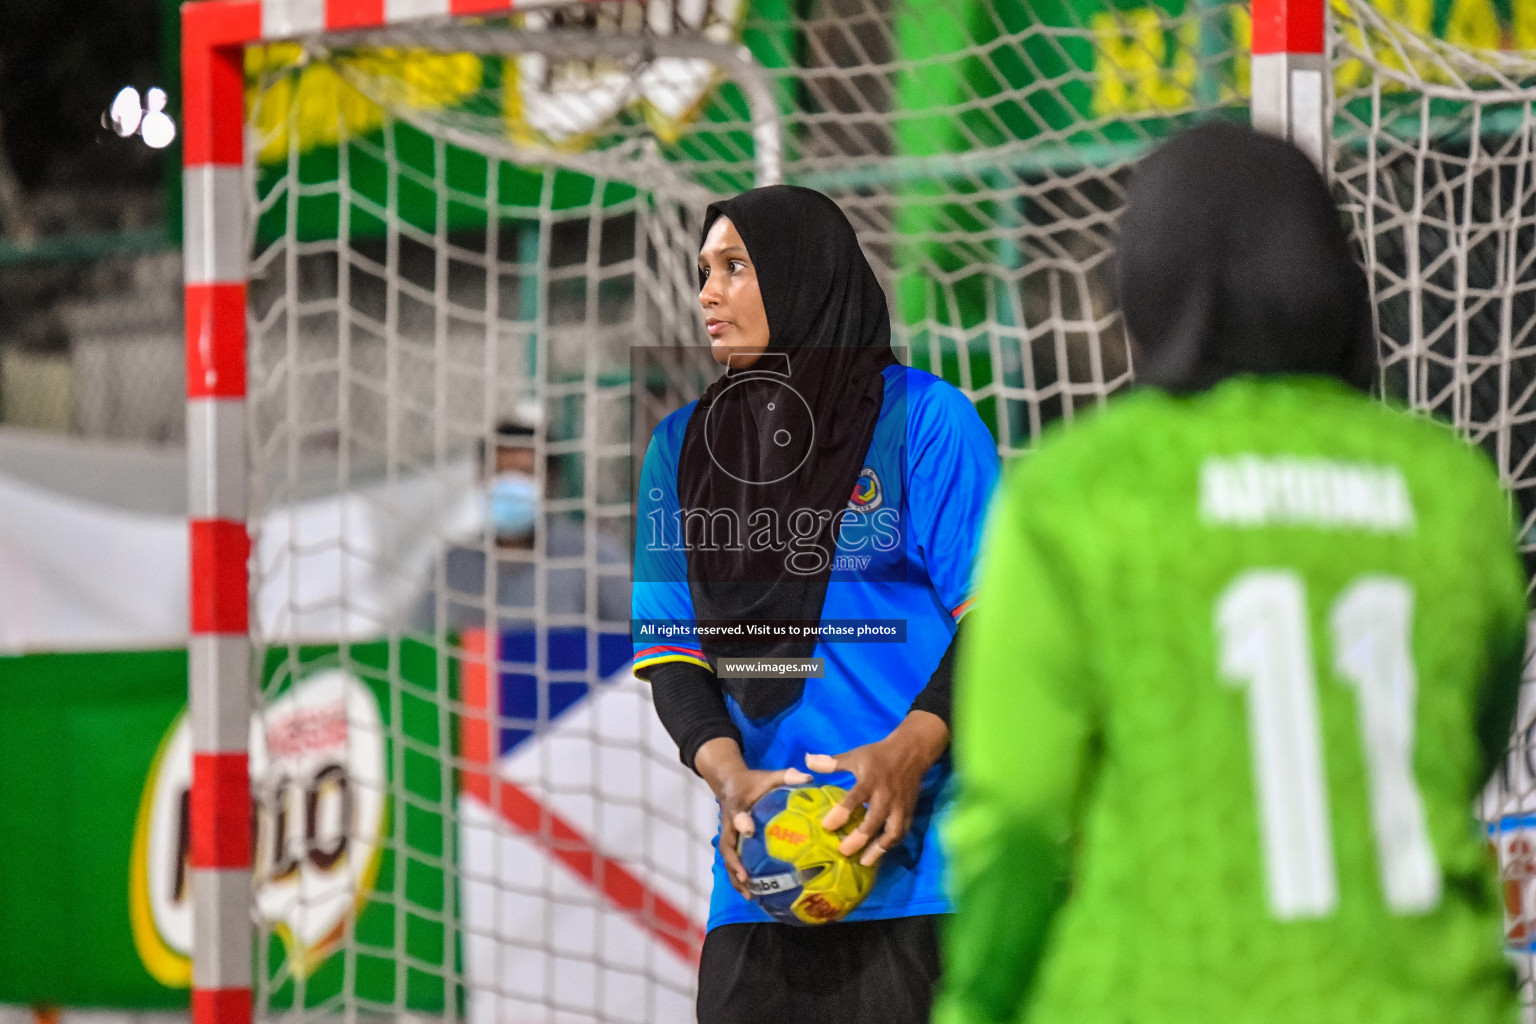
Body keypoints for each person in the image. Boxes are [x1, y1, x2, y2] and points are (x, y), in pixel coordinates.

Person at [936, 120, 1528, 1024]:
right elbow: (1466, 743)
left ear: (1143, 285)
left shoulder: (1077, 494)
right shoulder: (1451, 489)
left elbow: (1014, 817)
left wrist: (976, 1003)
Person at [630, 184, 998, 1023]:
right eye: (702, 272)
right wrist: (729, 779)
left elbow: (999, 619)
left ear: (803, 277)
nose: (707, 294)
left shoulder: (928, 423)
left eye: (734, 267)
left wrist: (907, 750)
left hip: (923, 873)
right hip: (762, 881)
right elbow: (671, 656)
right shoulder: (679, 449)